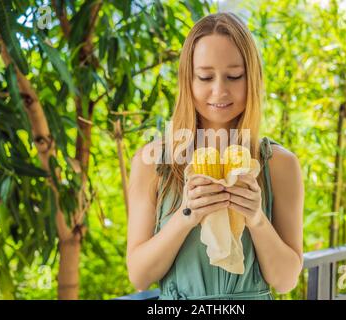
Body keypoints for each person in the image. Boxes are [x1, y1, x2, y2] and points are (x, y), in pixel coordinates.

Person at [127, 12, 304, 300]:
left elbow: (285, 281)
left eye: (234, 76)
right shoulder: (153, 162)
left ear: (252, 78)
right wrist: (187, 215)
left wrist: (256, 218)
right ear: (188, 80)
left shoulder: (280, 165)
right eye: (205, 76)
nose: (219, 90)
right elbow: (140, 276)